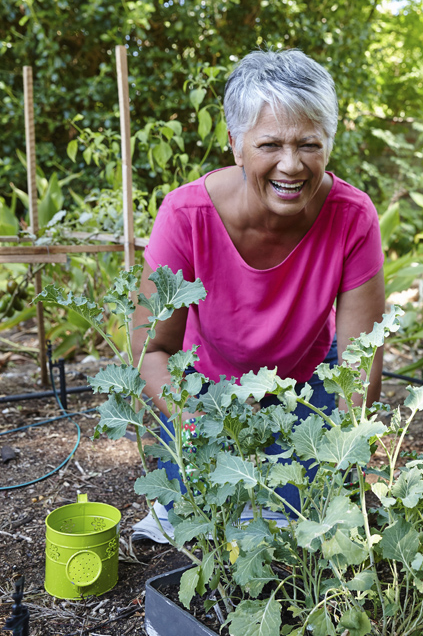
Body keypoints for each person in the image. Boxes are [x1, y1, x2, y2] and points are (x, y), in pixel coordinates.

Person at [130, 49, 386, 540]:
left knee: (300, 516)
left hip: (305, 392)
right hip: (208, 392)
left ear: (328, 144)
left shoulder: (352, 216)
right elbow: (154, 351)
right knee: (199, 513)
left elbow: (360, 360)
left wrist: (346, 451)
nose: (291, 166)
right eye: (270, 144)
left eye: (309, 144)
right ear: (236, 144)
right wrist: (195, 419)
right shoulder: (187, 215)